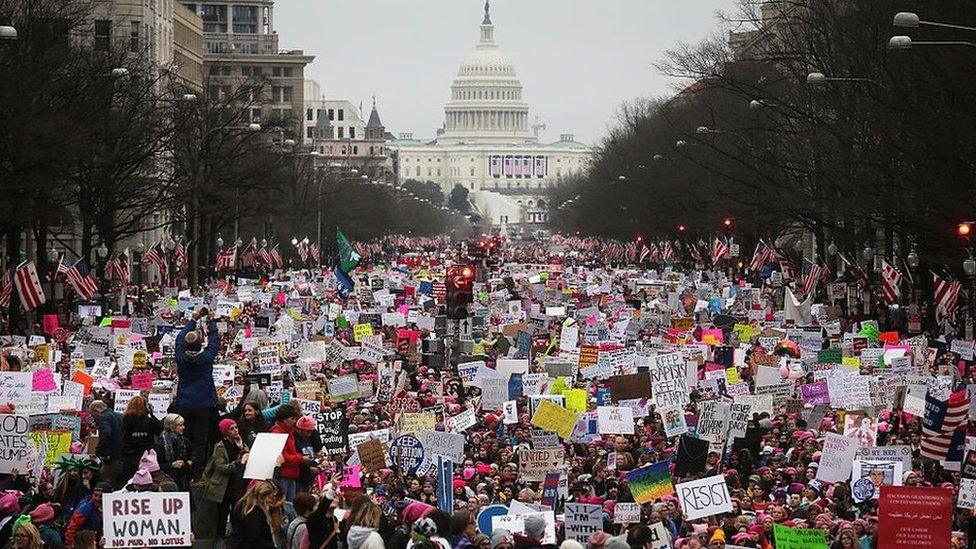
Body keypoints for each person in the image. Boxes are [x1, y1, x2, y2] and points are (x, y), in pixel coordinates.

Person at [175, 307, 221, 478]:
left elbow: (179, 340)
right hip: (203, 405)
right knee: (200, 442)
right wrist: (211, 321)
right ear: (199, 344)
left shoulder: (180, 358)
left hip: (185, 404)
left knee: (184, 438)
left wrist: (193, 320)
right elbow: (215, 342)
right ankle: (198, 471)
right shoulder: (206, 359)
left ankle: (184, 467)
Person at [198, 418, 249, 541]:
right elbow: (221, 468)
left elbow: (248, 457)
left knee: (238, 511)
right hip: (223, 486)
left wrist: (242, 448)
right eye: (232, 429)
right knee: (222, 513)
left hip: (237, 484)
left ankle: (236, 536)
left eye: (236, 427)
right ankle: (219, 538)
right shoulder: (220, 446)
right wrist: (237, 463)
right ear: (226, 432)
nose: (236, 431)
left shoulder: (241, 442)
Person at [229, 480, 282, 549]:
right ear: (263, 497)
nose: (271, 500)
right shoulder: (255, 514)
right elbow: (255, 540)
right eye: (270, 497)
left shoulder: (244, 507)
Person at [121, 395, 163, 483]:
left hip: (129, 455)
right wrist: (152, 414)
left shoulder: (124, 420)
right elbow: (160, 430)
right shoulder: (149, 421)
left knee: (129, 480)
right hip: (145, 456)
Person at [269, 405, 306, 502]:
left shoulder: (289, 432)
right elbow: (283, 456)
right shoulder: (277, 434)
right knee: (283, 503)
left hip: (291, 473)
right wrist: (300, 458)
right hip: (283, 474)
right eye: (292, 418)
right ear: (284, 419)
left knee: (290, 503)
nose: (294, 421)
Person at [88, 401, 123, 488]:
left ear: (96, 410)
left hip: (111, 456)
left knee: (105, 482)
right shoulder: (120, 415)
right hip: (122, 454)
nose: (93, 417)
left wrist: (99, 450)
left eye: (92, 414)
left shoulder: (103, 417)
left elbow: (106, 433)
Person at [64, 482, 110, 547]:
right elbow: (72, 527)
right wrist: (69, 545)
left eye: (101, 496)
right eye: (95, 495)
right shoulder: (86, 507)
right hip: (85, 543)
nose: (97, 498)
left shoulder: (111, 507)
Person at [156, 413, 192, 489]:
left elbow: (191, 456)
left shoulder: (185, 441)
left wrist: (189, 461)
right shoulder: (160, 444)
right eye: (180, 425)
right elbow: (157, 465)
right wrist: (171, 465)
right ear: (172, 427)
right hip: (167, 480)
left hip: (183, 479)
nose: (183, 427)